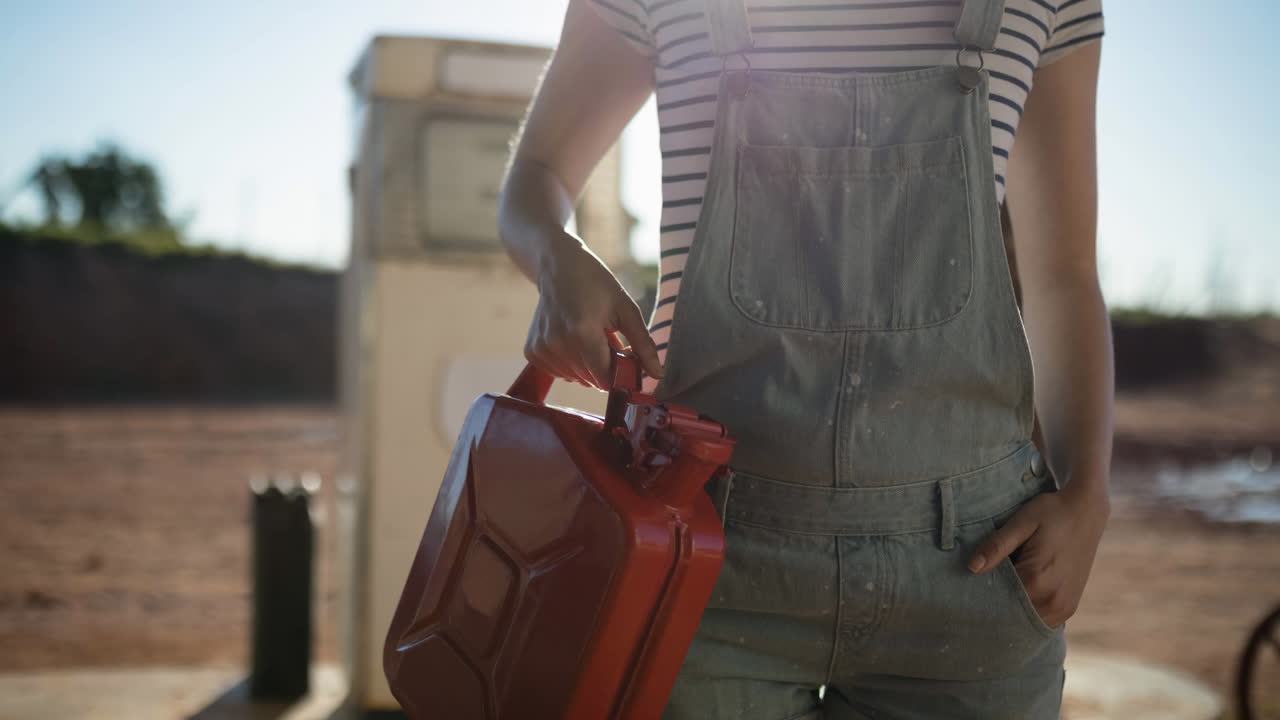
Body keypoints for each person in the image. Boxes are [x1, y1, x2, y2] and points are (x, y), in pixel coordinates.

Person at [497, 0, 1113, 717]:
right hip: (701, 557)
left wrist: (1086, 495)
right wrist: (553, 253)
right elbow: (535, 173)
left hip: (973, 575)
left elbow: (1064, 272)